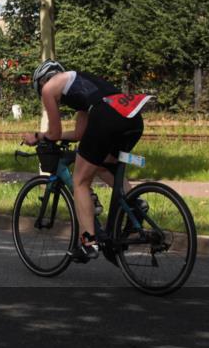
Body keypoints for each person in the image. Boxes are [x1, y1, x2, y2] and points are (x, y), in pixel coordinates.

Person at [22, 60, 151, 261]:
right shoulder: (81, 85)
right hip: (132, 118)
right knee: (100, 164)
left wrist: (37, 136)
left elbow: (54, 133)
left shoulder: (49, 88)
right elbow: (79, 134)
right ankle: (136, 202)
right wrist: (56, 136)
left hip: (106, 117)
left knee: (80, 181)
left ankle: (88, 243)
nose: (43, 95)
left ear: (41, 82)